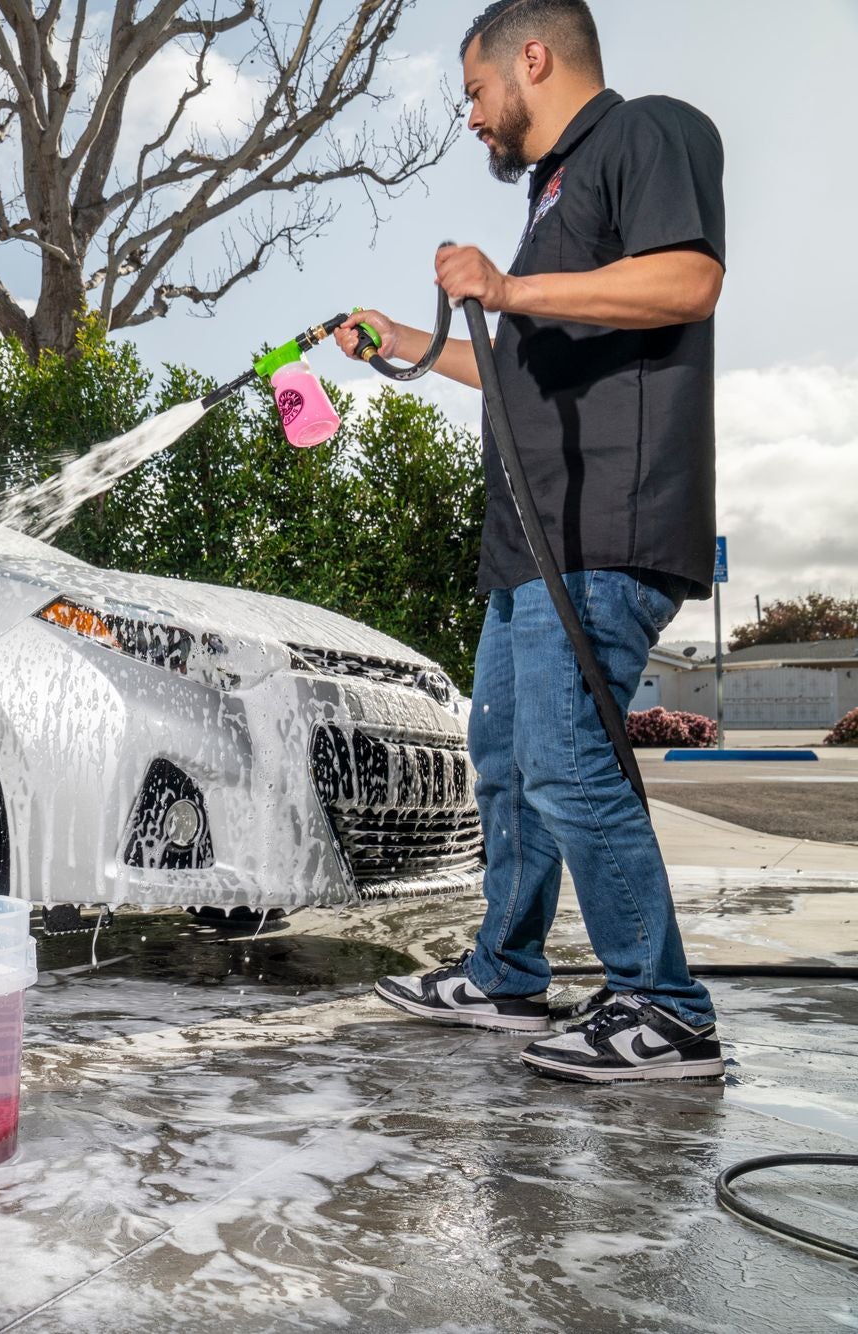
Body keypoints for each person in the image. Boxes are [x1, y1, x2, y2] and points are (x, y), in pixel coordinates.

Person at [337, 0, 727, 1082]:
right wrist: (406, 342)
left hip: (605, 529)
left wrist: (506, 288)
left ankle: (663, 1006)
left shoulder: (646, 131)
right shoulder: (550, 202)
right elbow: (516, 360)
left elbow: (685, 279)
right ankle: (505, 971)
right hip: (530, 546)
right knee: (505, 762)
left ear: (533, 59)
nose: (470, 117)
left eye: (473, 91)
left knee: (564, 760)